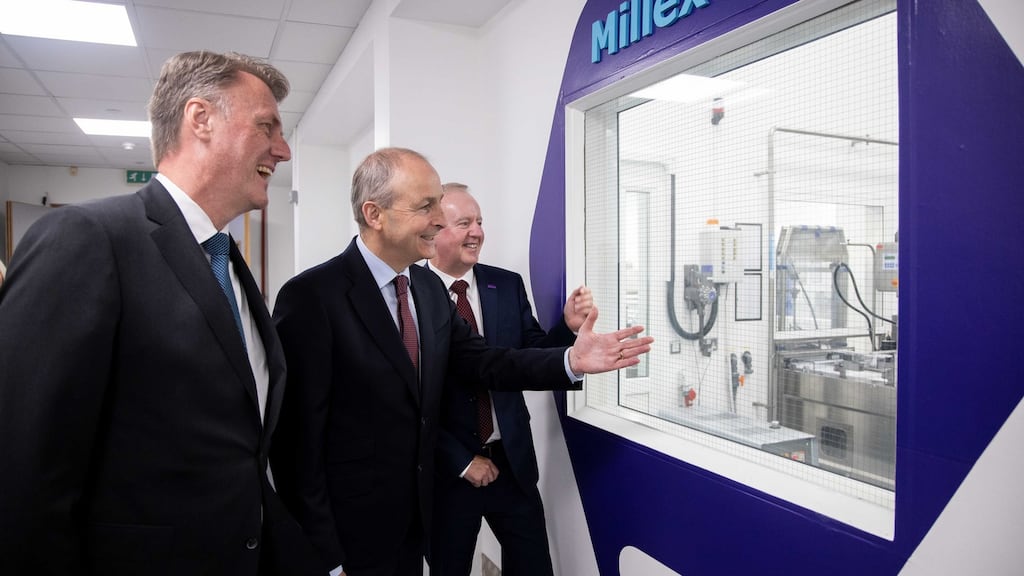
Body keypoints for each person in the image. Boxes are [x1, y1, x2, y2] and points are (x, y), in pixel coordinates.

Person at [0, 51, 322, 576]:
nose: (283, 150)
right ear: (201, 119)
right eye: (267, 126)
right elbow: (23, 466)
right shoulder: (87, 239)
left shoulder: (227, 261)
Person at [271, 147, 652, 576]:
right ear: (374, 214)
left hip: (415, 519)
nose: (439, 219)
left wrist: (569, 360)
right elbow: (295, 446)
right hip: (351, 533)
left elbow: (486, 362)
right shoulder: (311, 298)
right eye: (426, 206)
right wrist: (323, 556)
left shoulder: (426, 289)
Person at [424, 183, 588, 576]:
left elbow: (529, 355)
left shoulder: (506, 284)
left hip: (512, 463)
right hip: (447, 473)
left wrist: (567, 329)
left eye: (480, 221)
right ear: (434, 230)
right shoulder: (410, 292)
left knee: (534, 567)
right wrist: (462, 461)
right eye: (464, 223)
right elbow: (407, 397)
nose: (477, 232)